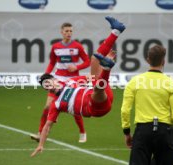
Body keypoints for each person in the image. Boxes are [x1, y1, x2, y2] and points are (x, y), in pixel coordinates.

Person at [30, 16, 126, 157]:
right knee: (97, 88)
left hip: (104, 94)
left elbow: (89, 77)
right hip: (96, 107)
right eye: (47, 87)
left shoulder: (70, 81)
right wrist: (41, 144)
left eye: (50, 83)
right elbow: (48, 126)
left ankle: (117, 30)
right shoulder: (56, 105)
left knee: (95, 59)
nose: (50, 87)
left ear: (56, 80)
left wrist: (93, 69)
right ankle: (107, 68)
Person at [120, 45, 173, 165]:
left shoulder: (134, 81)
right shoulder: (171, 83)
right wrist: (165, 123)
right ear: (164, 61)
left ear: (148, 60)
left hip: (143, 131)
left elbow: (125, 111)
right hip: (164, 131)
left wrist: (127, 132)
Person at [30, 22, 90, 143]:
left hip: (73, 81)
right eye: (66, 31)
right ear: (61, 32)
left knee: (74, 109)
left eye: (70, 31)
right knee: (47, 107)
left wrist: (76, 67)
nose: (69, 33)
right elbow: (52, 62)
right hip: (57, 80)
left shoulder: (77, 46)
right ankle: (40, 133)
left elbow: (87, 62)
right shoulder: (56, 47)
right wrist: (46, 76)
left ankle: (82, 132)